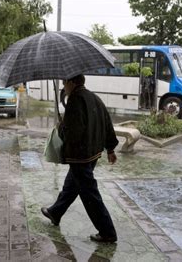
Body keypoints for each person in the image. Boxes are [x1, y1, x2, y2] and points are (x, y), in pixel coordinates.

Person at [41, 74, 119, 243]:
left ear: (71, 82)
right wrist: (110, 148)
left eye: (64, 82)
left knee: (90, 194)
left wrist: (62, 127)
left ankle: (107, 232)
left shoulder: (75, 100)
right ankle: (56, 212)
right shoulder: (93, 97)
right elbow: (107, 123)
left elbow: (74, 132)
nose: (63, 86)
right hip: (93, 153)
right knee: (72, 184)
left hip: (80, 156)